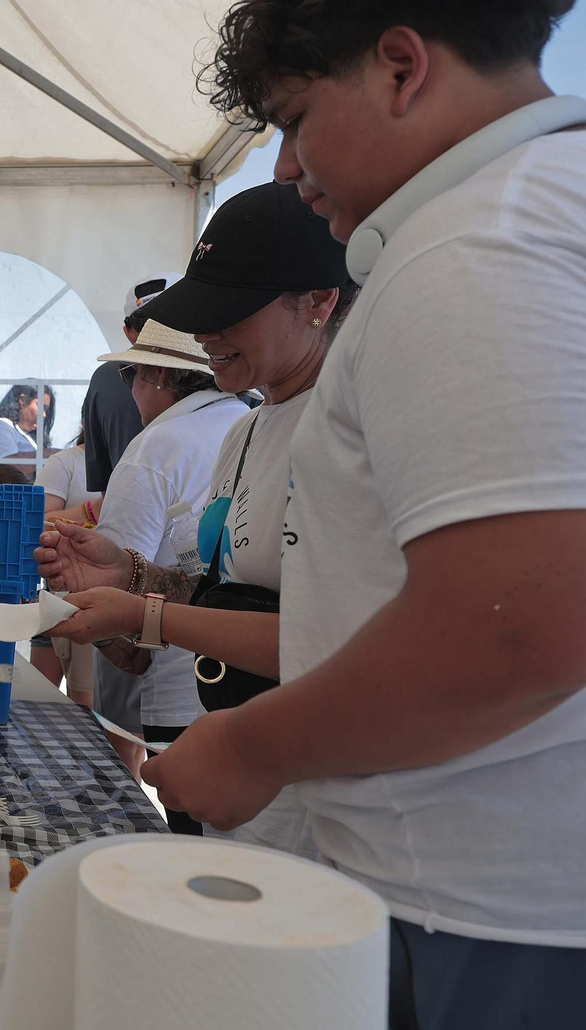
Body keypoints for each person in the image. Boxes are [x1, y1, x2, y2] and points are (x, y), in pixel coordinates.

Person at [141, 3, 586, 1026]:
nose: (289, 170)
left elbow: (517, 624)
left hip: (475, 904)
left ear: (398, 67)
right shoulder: (539, 207)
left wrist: (251, 748)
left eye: (295, 121)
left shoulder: (474, 247)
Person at [37, 182, 356, 856]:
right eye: (199, 313)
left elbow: (332, 638)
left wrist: (143, 614)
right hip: (235, 763)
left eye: (229, 311)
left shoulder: (352, 425)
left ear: (321, 301)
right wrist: (128, 571)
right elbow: (221, 593)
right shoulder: (246, 428)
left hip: (319, 793)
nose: (207, 333)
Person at [83, 321, 247, 818]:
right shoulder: (247, 421)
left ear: (157, 375)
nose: (130, 388)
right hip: (250, 681)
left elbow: (111, 569)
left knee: (192, 829)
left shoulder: (157, 447)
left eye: (131, 373)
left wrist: (114, 641)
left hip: (182, 683)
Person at [31, 420, 103, 705]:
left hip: (120, 601)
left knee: (118, 721)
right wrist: (93, 510)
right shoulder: (67, 462)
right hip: (66, 598)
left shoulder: (139, 457)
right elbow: (36, 523)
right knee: (58, 705)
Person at [81, 276, 174, 494]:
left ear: (129, 333)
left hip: (129, 518)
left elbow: (104, 486)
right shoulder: (225, 375)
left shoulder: (104, 379)